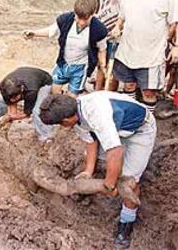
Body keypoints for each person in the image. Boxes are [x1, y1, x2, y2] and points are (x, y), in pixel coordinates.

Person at [39, 91, 156, 248]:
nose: (62, 127)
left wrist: (110, 185)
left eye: (60, 124)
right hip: (116, 129)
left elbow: (116, 151)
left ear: (67, 119)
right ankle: (100, 182)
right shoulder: (74, 111)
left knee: (128, 182)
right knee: (94, 159)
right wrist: (88, 171)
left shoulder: (97, 114)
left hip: (139, 130)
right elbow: (91, 141)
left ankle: (126, 223)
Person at [111, 0, 178, 113]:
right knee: (128, 86)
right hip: (127, 51)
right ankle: (130, 119)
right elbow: (122, 17)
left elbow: (175, 22)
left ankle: (147, 123)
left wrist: (176, 46)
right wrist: (117, 26)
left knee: (148, 92)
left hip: (151, 55)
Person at [23, 0, 108, 97]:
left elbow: (102, 49)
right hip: (63, 63)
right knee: (54, 93)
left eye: (85, 19)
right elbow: (51, 31)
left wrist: (103, 65)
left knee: (71, 98)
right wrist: (34, 33)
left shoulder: (99, 29)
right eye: (78, 18)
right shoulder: (65, 20)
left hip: (80, 67)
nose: (81, 22)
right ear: (74, 13)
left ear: (92, 15)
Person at [95, 0, 132, 91]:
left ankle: (109, 96)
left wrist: (119, 27)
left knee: (113, 69)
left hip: (119, 36)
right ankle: (97, 94)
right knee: (101, 65)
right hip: (103, 34)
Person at [0, 67, 54, 142]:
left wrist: (13, 117)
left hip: (44, 83)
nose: (13, 100)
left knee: (37, 110)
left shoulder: (31, 91)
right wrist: (12, 114)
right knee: (0, 102)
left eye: (15, 98)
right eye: (11, 98)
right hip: (25, 77)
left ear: (21, 90)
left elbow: (27, 113)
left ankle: (45, 137)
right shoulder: (2, 86)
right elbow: (10, 102)